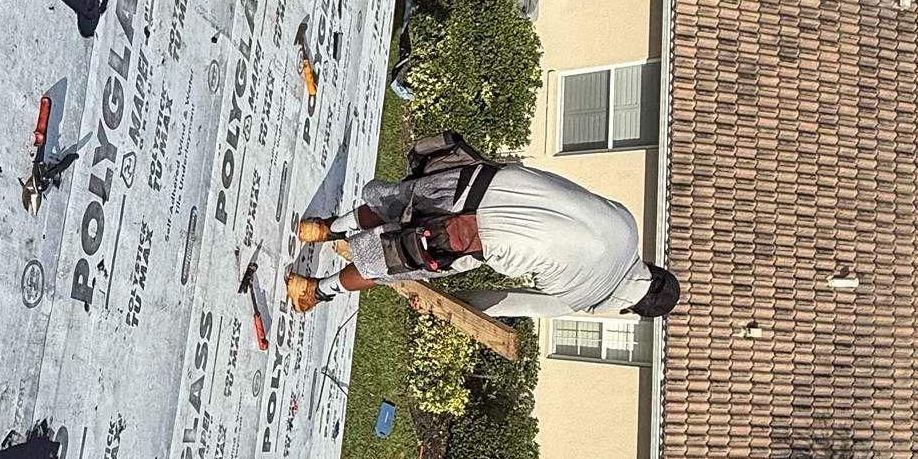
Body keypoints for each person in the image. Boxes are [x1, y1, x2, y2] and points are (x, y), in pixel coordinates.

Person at [283, 141, 681, 321]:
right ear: (632, 308)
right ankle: (314, 289)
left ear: (650, 265)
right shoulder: (590, 299)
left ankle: (321, 228)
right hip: (474, 234)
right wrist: (451, 304)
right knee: (386, 262)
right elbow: (505, 300)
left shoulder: (627, 223)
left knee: (397, 201)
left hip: (483, 180)